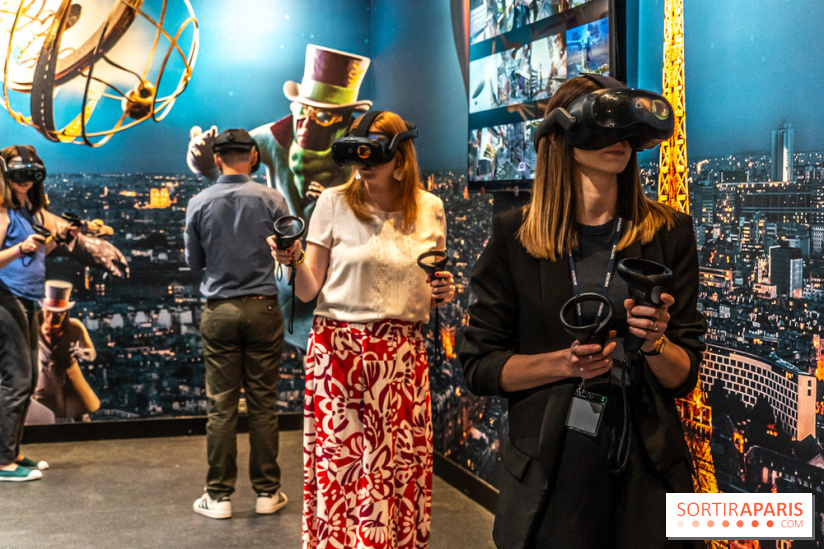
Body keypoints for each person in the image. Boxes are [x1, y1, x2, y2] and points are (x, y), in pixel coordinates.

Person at [458, 75, 708, 549]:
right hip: (552, 471)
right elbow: (480, 365)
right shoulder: (515, 239)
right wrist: (563, 364)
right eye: (603, 124)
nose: (618, 140)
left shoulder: (670, 232)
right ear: (562, 136)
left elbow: (685, 372)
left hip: (646, 469)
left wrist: (656, 343)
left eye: (625, 128)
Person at [270, 110, 456, 549]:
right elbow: (308, 288)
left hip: (403, 356)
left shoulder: (432, 209)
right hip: (340, 355)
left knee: (399, 468)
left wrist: (442, 290)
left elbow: (429, 287)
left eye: (372, 151)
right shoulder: (333, 202)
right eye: (355, 151)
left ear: (400, 155)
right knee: (344, 468)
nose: (362, 161)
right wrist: (292, 260)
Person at [187, 44, 372, 348]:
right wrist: (202, 156)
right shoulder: (272, 139)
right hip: (287, 268)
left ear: (341, 120)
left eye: (322, 116)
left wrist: (332, 201)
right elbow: (228, 168)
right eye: (303, 109)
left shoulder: (357, 151)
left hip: (341, 275)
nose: (307, 121)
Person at [184, 128, 290, 519]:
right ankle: (267, 492)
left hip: (220, 311)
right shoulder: (272, 199)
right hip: (263, 308)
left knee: (222, 406)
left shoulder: (199, 201)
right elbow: (290, 251)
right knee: (264, 404)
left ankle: (219, 496)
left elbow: (194, 263)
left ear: (216, 159)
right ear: (254, 158)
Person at [0, 145, 79, 481]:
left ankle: (12, 452)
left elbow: (34, 251)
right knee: (16, 380)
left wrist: (57, 239)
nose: (26, 183)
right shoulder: (3, 212)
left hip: (26, 297)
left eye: (32, 177)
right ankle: (3, 462)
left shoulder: (26, 209)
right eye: (19, 176)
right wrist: (21, 247)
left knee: (27, 378)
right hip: (6, 298)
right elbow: (15, 253)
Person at [33, 280, 100, 421]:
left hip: (70, 380)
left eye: (57, 314)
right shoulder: (33, 325)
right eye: (49, 313)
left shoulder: (75, 327)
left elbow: (91, 352)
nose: (52, 318)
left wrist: (82, 354)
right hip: (44, 382)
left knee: (80, 415)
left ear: (65, 313)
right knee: (43, 417)